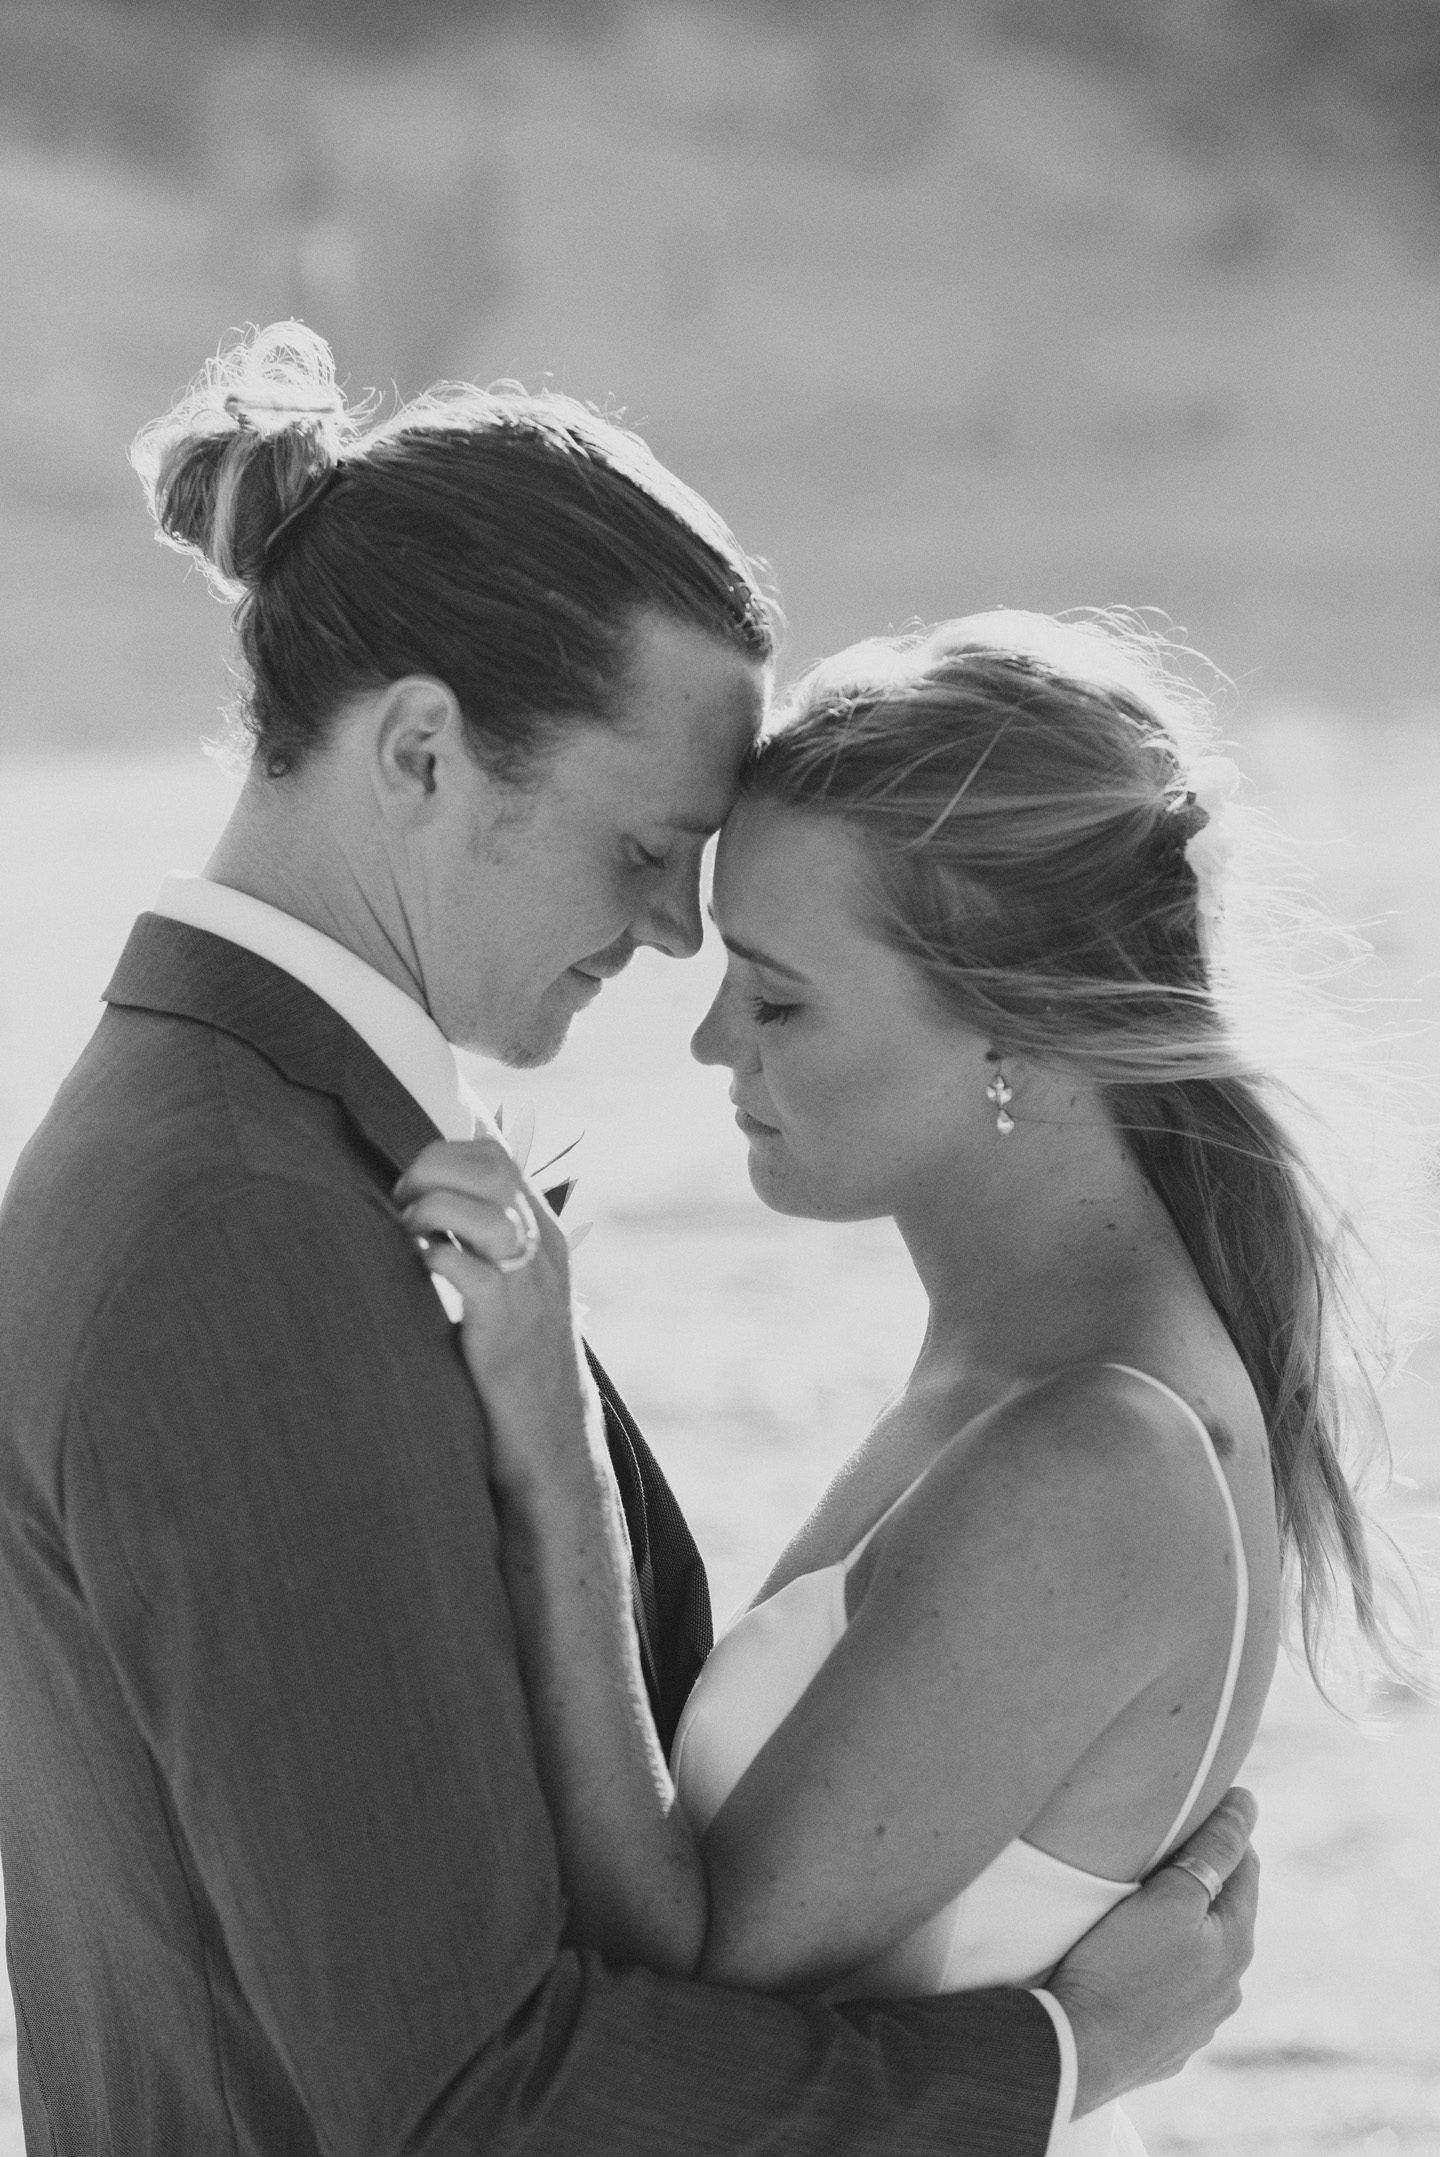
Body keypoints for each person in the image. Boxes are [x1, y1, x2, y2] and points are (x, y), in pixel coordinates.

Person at [0, 325, 1256, 2157]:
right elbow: (459, 2099)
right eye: (644, 847)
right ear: (424, 751)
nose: (681, 936)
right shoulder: (235, 1226)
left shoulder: (270, 1149)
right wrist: (1061, 2059)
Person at [397, 613, 1410, 2154]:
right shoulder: (1018, 1357)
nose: (711, 1038)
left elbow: (688, 1983)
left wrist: (550, 1441)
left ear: (1014, 1018)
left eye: (779, 997)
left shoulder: (1096, 1453)